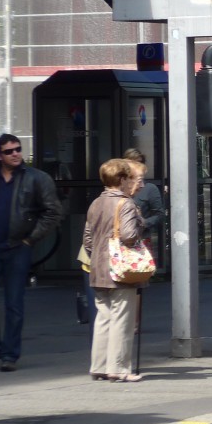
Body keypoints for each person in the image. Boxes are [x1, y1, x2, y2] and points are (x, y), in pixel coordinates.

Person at [0, 133, 62, 372]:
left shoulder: (36, 178)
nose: (16, 154)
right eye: (9, 151)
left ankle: (9, 355)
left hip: (17, 247)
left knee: (14, 302)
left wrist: (31, 239)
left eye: (18, 149)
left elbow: (52, 212)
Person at [83, 158, 147, 382]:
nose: (131, 181)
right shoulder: (126, 204)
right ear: (121, 179)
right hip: (120, 270)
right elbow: (129, 236)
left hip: (98, 269)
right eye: (129, 177)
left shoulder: (95, 204)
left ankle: (99, 365)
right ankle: (118, 368)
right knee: (122, 318)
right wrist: (140, 222)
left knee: (104, 317)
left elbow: (88, 241)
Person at [123, 148, 166, 269]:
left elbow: (160, 214)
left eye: (139, 163)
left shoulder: (149, 189)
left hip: (140, 240)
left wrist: (143, 223)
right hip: (119, 242)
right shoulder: (118, 187)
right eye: (131, 163)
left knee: (138, 278)